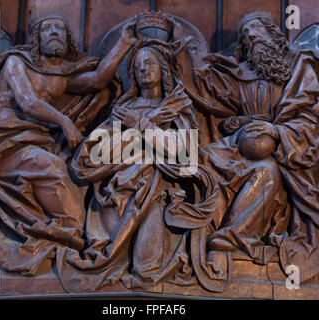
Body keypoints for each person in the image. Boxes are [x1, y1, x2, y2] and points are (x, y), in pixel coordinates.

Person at [0, 14, 137, 275]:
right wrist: (64, 122)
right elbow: (27, 101)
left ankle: (74, 236)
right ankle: (70, 237)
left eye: (59, 28)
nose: (54, 32)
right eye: (47, 29)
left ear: (68, 40)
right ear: (36, 39)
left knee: (83, 168)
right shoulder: (16, 62)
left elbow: (97, 80)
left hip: (32, 143)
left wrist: (124, 42)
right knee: (51, 168)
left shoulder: (61, 76)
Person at [177, 12, 319, 289]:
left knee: (266, 174)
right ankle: (180, 236)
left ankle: (228, 238)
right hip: (240, 144)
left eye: (255, 30)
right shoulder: (240, 75)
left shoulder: (299, 68)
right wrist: (186, 56)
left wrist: (277, 132)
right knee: (198, 161)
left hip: (284, 153)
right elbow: (208, 92)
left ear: (273, 34)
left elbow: (312, 120)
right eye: (245, 36)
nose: (251, 36)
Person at [63, 39, 220, 291]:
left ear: (163, 69)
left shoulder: (177, 107)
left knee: (150, 171)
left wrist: (142, 126)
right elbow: (99, 154)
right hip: (117, 189)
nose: (143, 69)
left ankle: (145, 267)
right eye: (137, 66)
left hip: (160, 189)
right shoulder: (124, 108)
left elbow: (185, 154)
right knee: (147, 166)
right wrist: (147, 126)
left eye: (149, 63)